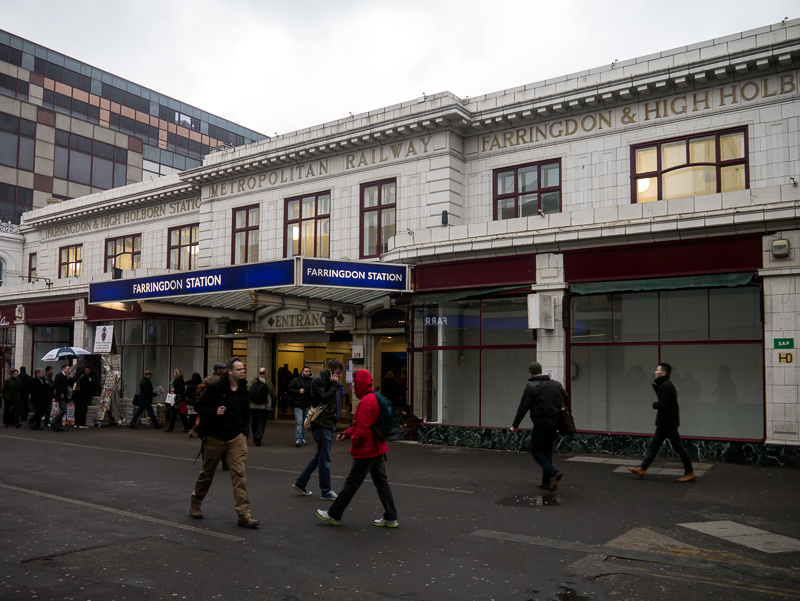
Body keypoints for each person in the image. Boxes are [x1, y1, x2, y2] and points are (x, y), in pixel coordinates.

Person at [316, 369, 398, 528]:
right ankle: (391, 516)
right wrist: (347, 433)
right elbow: (363, 425)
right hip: (377, 447)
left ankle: (334, 514)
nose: (353, 387)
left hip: (367, 450)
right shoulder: (374, 397)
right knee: (381, 483)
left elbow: (362, 429)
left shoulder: (366, 402)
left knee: (352, 483)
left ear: (360, 383)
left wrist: (353, 443)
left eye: (354, 383)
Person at [190, 356, 258, 528]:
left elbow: (246, 413)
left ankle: (244, 514)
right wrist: (214, 411)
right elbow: (198, 406)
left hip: (236, 437)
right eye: (238, 369)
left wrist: (244, 433)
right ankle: (196, 503)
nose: (242, 371)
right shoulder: (214, 387)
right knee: (207, 473)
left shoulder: (243, 389)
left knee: (239, 474)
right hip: (215, 436)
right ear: (229, 371)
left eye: (243, 369)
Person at [627, 362, 696, 483]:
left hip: (668, 422)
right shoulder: (665, 384)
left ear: (663, 373)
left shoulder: (666, 385)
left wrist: (654, 404)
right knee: (654, 446)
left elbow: (663, 404)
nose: (655, 372)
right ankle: (642, 469)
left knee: (679, 447)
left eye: (657, 370)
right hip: (664, 422)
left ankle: (689, 473)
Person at [510, 362, 567, 492]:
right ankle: (546, 482)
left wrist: (515, 425)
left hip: (540, 423)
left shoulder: (531, 386)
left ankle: (553, 472)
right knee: (547, 451)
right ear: (541, 371)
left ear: (530, 372)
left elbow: (523, 407)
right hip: (554, 423)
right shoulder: (555, 384)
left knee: (535, 450)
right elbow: (566, 399)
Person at [293, 359, 343, 500]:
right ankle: (325, 491)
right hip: (321, 423)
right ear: (330, 371)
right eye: (338, 373)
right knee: (324, 458)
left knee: (320, 455)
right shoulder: (319, 381)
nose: (339, 376)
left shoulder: (325, 380)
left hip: (326, 422)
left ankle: (300, 482)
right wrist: (334, 385)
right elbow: (325, 398)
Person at [248, 367, 275, 447]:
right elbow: (273, 395)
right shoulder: (269, 383)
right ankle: (259, 437)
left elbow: (248, 390)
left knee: (254, 420)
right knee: (261, 421)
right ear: (266, 373)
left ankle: (254, 437)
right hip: (263, 406)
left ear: (258, 373)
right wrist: (273, 405)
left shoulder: (253, 381)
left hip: (253, 405)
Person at [288, 365, 314, 447]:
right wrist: (298, 391)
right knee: (299, 422)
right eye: (306, 371)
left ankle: (302, 438)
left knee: (305, 423)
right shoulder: (296, 380)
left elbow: (313, 392)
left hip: (307, 404)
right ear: (302, 372)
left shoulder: (311, 381)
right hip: (298, 404)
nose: (307, 373)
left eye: (308, 371)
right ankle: (298, 439)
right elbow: (289, 389)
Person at [167, 368, 190, 433]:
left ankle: (171, 428)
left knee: (178, 413)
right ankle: (185, 427)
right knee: (178, 413)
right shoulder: (178, 380)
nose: (174, 374)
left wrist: (175, 390)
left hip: (179, 398)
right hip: (178, 398)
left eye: (175, 373)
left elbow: (181, 389)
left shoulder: (180, 380)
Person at [51, 364, 70, 432]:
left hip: (64, 395)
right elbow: (54, 385)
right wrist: (60, 392)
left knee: (62, 409)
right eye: (67, 369)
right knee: (64, 409)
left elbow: (68, 384)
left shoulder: (66, 377)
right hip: (60, 396)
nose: (68, 370)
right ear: (63, 369)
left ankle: (59, 426)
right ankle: (54, 421)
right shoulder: (59, 376)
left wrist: (70, 378)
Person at [185, 372, 202, 436]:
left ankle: (190, 430)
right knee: (196, 417)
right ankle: (197, 430)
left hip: (189, 402)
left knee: (190, 417)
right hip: (196, 402)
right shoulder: (200, 385)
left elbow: (186, 394)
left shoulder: (188, 384)